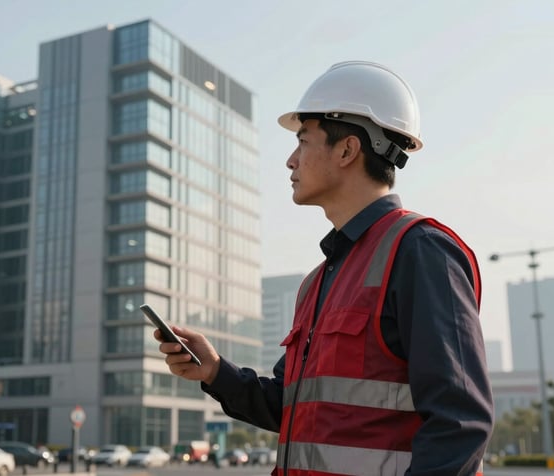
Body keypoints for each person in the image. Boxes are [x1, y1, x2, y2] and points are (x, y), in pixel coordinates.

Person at [156, 61, 493, 475]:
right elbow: (294, 408)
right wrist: (214, 371)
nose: (290, 161)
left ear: (347, 150)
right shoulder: (318, 281)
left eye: (302, 141)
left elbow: (459, 426)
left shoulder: (421, 252)